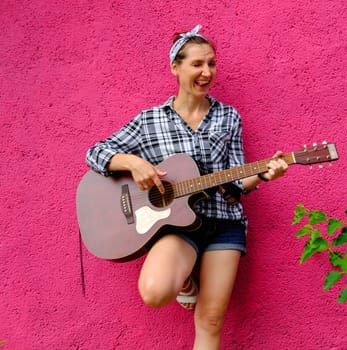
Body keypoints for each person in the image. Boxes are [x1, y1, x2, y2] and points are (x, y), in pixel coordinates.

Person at [85, 25, 288, 349]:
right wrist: (133, 162)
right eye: (197, 64)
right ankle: (185, 281)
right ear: (175, 68)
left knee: (210, 319)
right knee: (153, 292)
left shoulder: (228, 117)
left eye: (211, 64)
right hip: (176, 228)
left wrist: (263, 174)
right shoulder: (150, 120)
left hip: (224, 223)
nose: (207, 72)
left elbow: (235, 181)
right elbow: (95, 153)